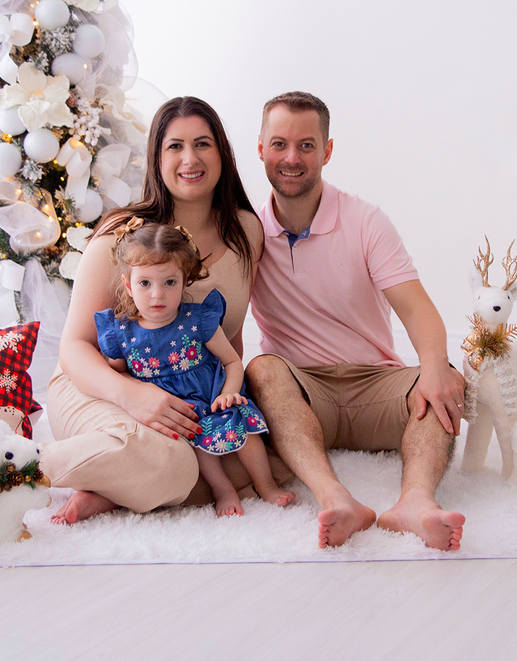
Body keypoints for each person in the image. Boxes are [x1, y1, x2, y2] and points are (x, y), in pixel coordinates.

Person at [41, 96, 281, 523]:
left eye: (202, 144)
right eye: (175, 146)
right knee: (176, 464)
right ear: (156, 157)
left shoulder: (246, 231)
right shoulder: (122, 235)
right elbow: (74, 347)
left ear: (222, 153)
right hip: (98, 385)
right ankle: (26, 470)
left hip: (185, 394)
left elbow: (230, 338)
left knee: (245, 458)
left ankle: (108, 494)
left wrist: (226, 397)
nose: (190, 158)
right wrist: (131, 395)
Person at [245, 91, 466, 551]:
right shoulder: (245, 231)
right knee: (261, 369)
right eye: (280, 144)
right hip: (304, 395)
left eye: (307, 145)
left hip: (374, 385)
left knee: (445, 375)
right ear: (260, 148)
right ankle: (337, 498)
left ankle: (416, 503)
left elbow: (417, 309)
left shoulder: (365, 220)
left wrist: (434, 367)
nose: (292, 157)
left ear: (327, 151)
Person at [89, 219, 294, 517]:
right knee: (196, 446)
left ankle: (266, 484)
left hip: (212, 398)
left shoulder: (197, 320)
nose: (157, 295)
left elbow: (232, 361)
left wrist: (229, 394)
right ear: (128, 285)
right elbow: (118, 375)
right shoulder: (122, 334)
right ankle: (222, 489)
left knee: (245, 434)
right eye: (145, 283)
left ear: (185, 281)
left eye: (169, 282)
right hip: (173, 412)